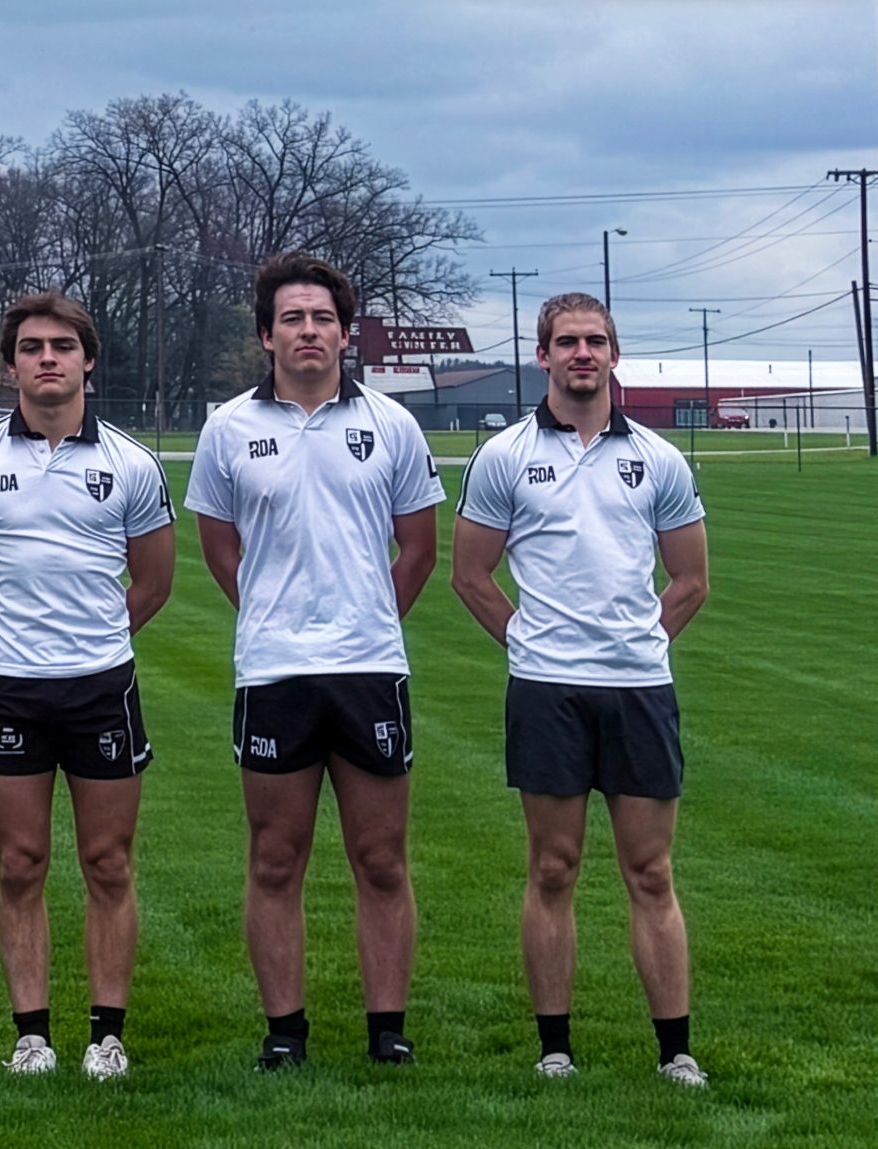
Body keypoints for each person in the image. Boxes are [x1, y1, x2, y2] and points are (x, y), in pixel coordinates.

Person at [183, 252, 444, 1070]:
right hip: (273, 672)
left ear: (343, 333)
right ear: (267, 335)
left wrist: (361, 617)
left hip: (369, 667)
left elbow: (420, 549)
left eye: (323, 318)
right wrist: (277, 615)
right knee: (274, 856)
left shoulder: (393, 425)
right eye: (292, 319)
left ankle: (385, 1027)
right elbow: (220, 548)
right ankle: (285, 1032)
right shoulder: (229, 427)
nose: (308, 331)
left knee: (380, 856)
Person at [450, 292, 710, 1085]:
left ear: (614, 354)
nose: (582, 354)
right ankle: (554, 1047)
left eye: (595, 340)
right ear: (543, 355)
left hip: (638, 690)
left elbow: (692, 579)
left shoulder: (660, 458)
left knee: (651, 872)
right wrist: (532, 645)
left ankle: (676, 1051)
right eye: (566, 342)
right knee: (553, 867)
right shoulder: (504, 455)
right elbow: (470, 574)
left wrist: (634, 646)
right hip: (547, 692)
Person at [0, 292, 174, 1079]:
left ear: (87, 360)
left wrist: (93, 636)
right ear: (11, 367)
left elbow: (155, 579)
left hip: (102, 686)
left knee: (108, 861)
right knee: (20, 862)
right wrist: (9, 636)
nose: (47, 358)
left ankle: (107, 1033)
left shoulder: (132, 462)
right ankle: (31, 1033)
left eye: (62, 346)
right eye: (31, 347)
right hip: (11, 689)